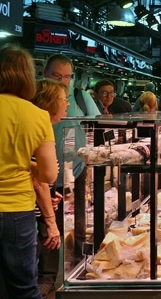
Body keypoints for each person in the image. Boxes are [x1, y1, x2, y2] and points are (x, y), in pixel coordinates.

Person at [0, 45, 58, 299]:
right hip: (16, 211)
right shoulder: (36, 115)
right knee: (23, 288)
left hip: (18, 209)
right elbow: (48, 175)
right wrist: (25, 163)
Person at [43, 53, 101, 280]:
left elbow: (96, 122)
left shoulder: (80, 96)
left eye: (67, 76)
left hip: (75, 166)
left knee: (79, 216)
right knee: (49, 222)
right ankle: (49, 274)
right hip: (46, 169)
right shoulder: (38, 97)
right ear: (46, 73)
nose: (62, 81)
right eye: (57, 75)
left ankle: (78, 263)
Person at [30, 79, 69, 298]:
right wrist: (51, 220)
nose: (68, 105)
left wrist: (50, 193)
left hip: (36, 206)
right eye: (65, 99)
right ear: (51, 102)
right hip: (24, 211)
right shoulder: (38, 126)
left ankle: (45, 282)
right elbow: (37, 180)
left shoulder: (46, 126)